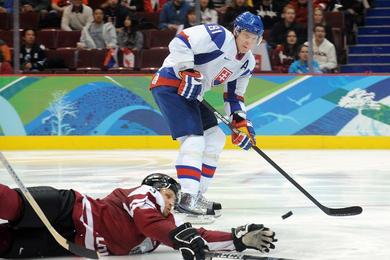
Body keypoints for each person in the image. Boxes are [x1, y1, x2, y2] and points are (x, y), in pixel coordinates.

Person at [0, 173, 277, 258]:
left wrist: (237, 240)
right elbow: (149, 222)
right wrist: (177, 237)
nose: (170, 204)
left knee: (6, 245)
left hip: (70, 243)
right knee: (10, 204)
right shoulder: (144, 195)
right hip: (69, 209)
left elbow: (197, 237)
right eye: (170, 196)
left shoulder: (166, 225)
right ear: (158, 189)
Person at [149, 12, 262, 216]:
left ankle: (197, 194)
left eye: (255, 38)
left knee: (216, 137)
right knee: (193, 140)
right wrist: (187, 70)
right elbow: (180, 41)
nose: (249, 41)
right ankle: (187, 199)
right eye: (246, 35)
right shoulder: (218, 35)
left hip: (194, 94)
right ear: (236, 31)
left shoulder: (247, 63)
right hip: (170, 84)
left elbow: (234, 96)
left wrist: (241, 123)